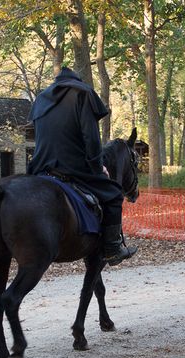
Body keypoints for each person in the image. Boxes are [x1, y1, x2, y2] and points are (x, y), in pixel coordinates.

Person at [27, 67, 137, 266]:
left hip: (40, 166)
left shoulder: (41, 99)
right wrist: (97, 167)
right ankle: (113, 248)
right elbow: (91, 139)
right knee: (113, 194)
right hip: (71, 166)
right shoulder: (82, 93)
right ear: (76, 80)